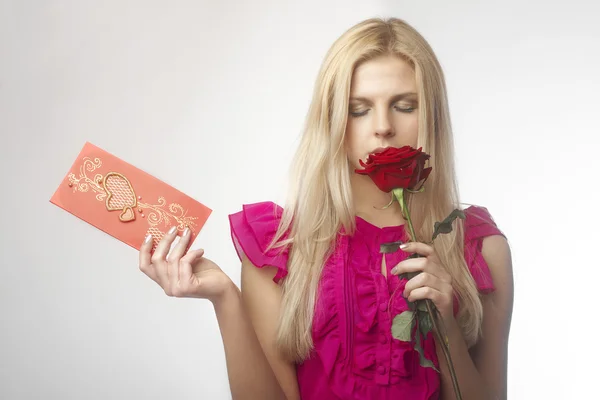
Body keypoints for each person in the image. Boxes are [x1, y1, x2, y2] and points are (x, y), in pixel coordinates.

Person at [138, 17, 513, 400]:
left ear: (431, 115)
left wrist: (446, 326)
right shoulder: (279, 245)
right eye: (358, 109)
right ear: (332, 120)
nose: (383, 127)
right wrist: (225, 299)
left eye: (404, 105)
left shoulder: (479, 248)